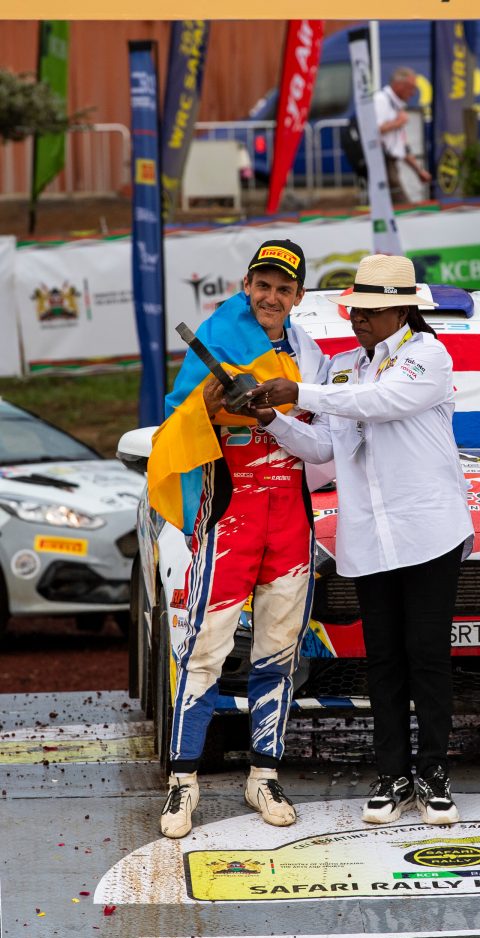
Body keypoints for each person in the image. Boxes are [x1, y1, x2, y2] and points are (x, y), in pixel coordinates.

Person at [246, 254, 473, 826]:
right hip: (368, 535)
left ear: (401, 310)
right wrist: (272, 418)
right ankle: (392, 775)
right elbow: (324, 447)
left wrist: (298, 390)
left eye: (369, 310)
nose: (358, 319)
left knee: (427, 657)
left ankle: (434, 773)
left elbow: (383, 402)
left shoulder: (428, 355)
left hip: (429, 531)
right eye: (354, 309)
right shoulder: (344, 366)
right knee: (383, 662)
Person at [147, 239, 328, 838]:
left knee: (278, 651)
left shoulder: (310, 353)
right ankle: (183, 783)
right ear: (247, 285)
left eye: (283, 289)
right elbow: (176, 417)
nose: (270, 297)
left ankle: (264, 775)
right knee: (204, 650)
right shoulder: (218, 336)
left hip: (291, 517)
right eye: (262, 285)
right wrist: (208, 401)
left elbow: (325, 438)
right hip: (232, 512)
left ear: (298, 296)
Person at [374, 67, 432, 205]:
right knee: (403, 206)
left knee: (396, 206)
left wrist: (418, 171)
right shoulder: (381, 100)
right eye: (411, 88)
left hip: (390, 163)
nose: (413, 93)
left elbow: (401, 146)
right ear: (399, 85)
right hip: (381, 162)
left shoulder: (396, 105)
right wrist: (398, 122)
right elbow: (373, 131)